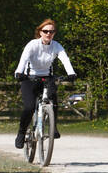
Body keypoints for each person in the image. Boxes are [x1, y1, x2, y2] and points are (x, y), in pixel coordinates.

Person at [14, 18, 76, 147]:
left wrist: (71, 73)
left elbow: (65, 59)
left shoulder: (56, 45)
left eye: (52, 31)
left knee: (53, 101)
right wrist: (19, 72)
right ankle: (21, 133)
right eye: (46, 31)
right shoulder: (32, 44)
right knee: (29, 107)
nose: (49, 34)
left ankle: (53, 127)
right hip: (29, 78)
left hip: (47, 77)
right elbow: (24, 58)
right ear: (40, 32)